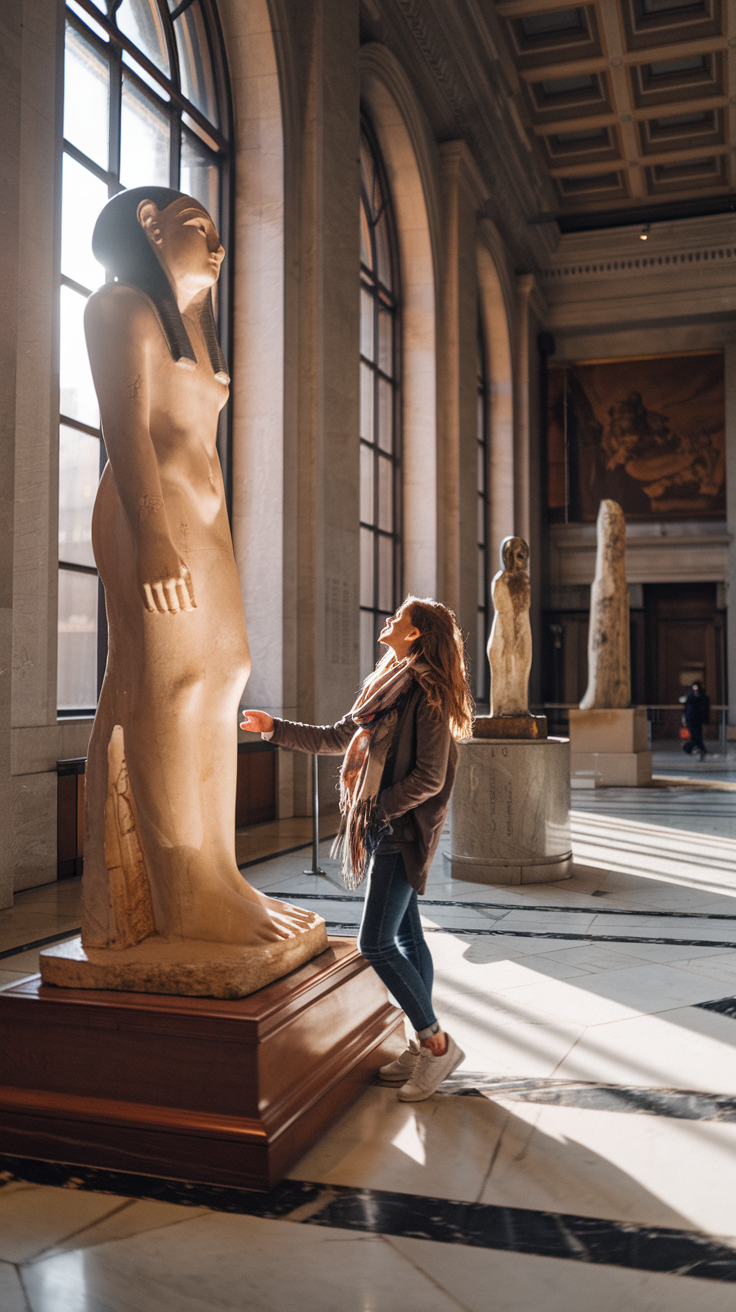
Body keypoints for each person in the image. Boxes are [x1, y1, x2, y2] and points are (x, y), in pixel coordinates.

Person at [81, 186, 310, 950]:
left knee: (223, 676)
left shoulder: (192, 330)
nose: (215, 247)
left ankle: (219, 873)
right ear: (148, 227)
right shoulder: (120, 308)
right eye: (196, 229)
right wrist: (150, 537)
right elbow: (125, 429)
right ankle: (181, 893)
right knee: (168, 686)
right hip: (148, 513)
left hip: (203, 524)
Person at [240, 597, 473, 1101]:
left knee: (376, 943)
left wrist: (377, 808)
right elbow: (335, 736)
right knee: (408, 939)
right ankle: (419, 1040)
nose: (388, 622)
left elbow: (429, 778)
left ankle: (436, 1046)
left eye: (398, 619)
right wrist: (274, 728)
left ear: (415, 635)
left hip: (399, 831)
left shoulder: (427, 695)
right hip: (384, 827)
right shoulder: (385, 688)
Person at [683, 681, 710, 762]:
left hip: (698, 720)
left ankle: (697, 749)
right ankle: (701, 749)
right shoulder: (690, 697)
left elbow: (705, 710)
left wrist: (705, 719)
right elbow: (686, 709)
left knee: (697, 736)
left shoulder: (702, 697)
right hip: (691, 719)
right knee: (695, 736)